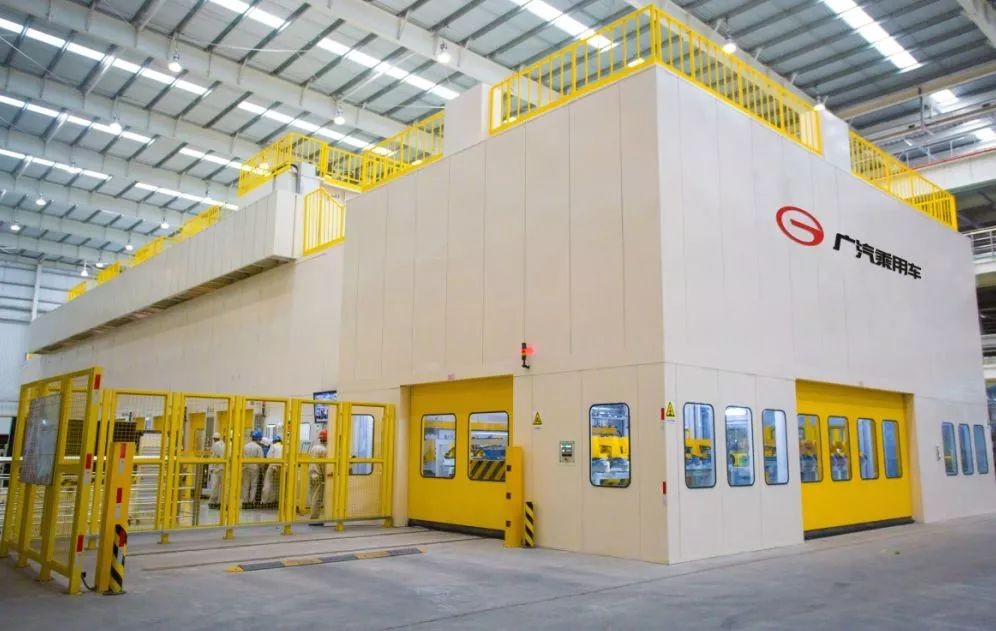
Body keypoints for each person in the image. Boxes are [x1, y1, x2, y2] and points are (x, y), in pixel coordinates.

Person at [309, 429, 331, 522]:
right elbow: (323, 465)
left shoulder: (314, 448)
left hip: (311, 473)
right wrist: (327, 476)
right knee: (317, 498)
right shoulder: (324, 450)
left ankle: (313, 516)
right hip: (318, 475)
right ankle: (314, 519)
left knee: (313, 495)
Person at [242, 430, 264, 507]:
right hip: (254, 468)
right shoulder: (258, 447)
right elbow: (261, 459)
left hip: (245, 467)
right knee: (253, 485)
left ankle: (245, 502)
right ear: (258, 439)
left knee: (245, 485)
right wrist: (262, 469)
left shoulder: (245, 446)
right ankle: (251, 502)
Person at [261, 435, 283, 507]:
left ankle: (265, 501)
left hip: (272, 466)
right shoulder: (283, 447)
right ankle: (275, 501)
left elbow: (268, 456)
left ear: (274, 441)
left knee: (267, 483)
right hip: (281, 467)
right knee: (277, 484)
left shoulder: (273, 446)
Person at [208, 432, 225, 509]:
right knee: (222, 487)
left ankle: (212, 501)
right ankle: (219, 502)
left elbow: (213, 457)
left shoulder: (215, 445)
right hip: (223, 468)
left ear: (214, 439)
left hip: (217, 469)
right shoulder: (224, 444)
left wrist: (211, 468)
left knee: (215, 485)